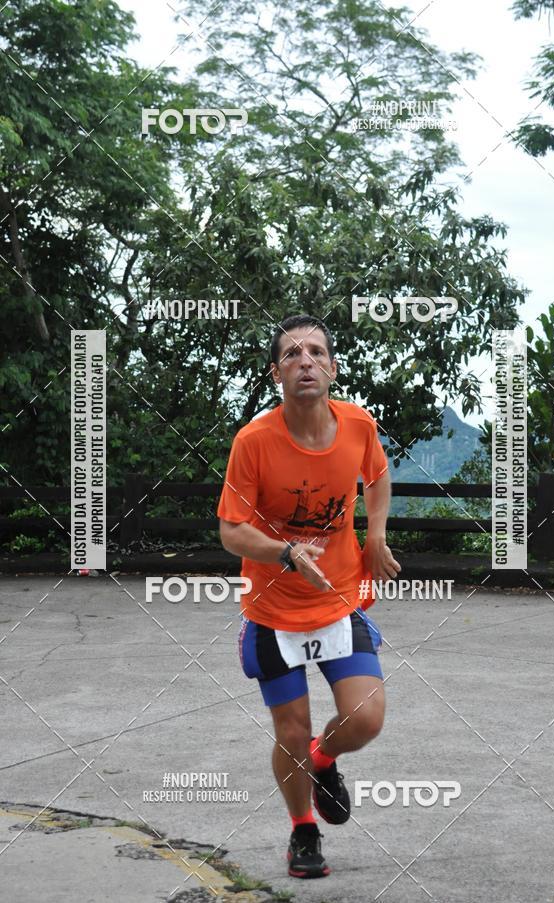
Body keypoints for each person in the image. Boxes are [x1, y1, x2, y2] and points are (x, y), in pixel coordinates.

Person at [217, 313, 401, 878]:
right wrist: (285, 552)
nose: (306, 362)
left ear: (332, 369)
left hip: (340, 601)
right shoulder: (254, 442)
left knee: (366, 718)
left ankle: (325, 758)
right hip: (274, 612)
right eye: (293, 354)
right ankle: (302, 829)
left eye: (317, 353)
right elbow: (230, 530)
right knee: (291, 730)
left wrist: (375, 536)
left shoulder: (358, 426)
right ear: (276, 373)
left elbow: (378, 476)